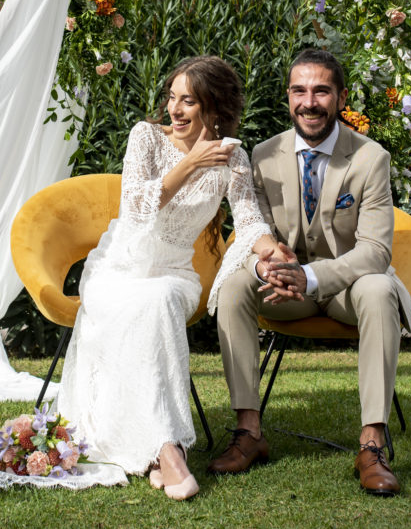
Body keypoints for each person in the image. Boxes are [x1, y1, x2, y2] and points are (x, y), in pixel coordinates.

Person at [56, 55, 282, 501]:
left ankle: (164, 449)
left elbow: (250, 219)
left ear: (213, 110)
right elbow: (136, 206)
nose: (176, 111)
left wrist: (271, 249)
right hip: (117, 268)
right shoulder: (145, 137)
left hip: (174, 273)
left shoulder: (232, 158)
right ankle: (168, 449)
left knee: (158, 301)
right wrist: (190, 164)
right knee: (143, 304)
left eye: (189, 102)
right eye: (172, 99)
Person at [209, 48, 411, 496]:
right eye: (299, 90)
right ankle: (249, 431)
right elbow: (248, 231)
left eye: (321, 90)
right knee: (234, 286)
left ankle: (372, 445)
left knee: (380, 289)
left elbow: (376, 251)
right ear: (288, 98)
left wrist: (314, 278)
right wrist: (264, 265)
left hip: (347, 291)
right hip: (285, 289)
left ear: (340, 98)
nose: (309, 101)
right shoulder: (261, 156)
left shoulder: (370, 158)